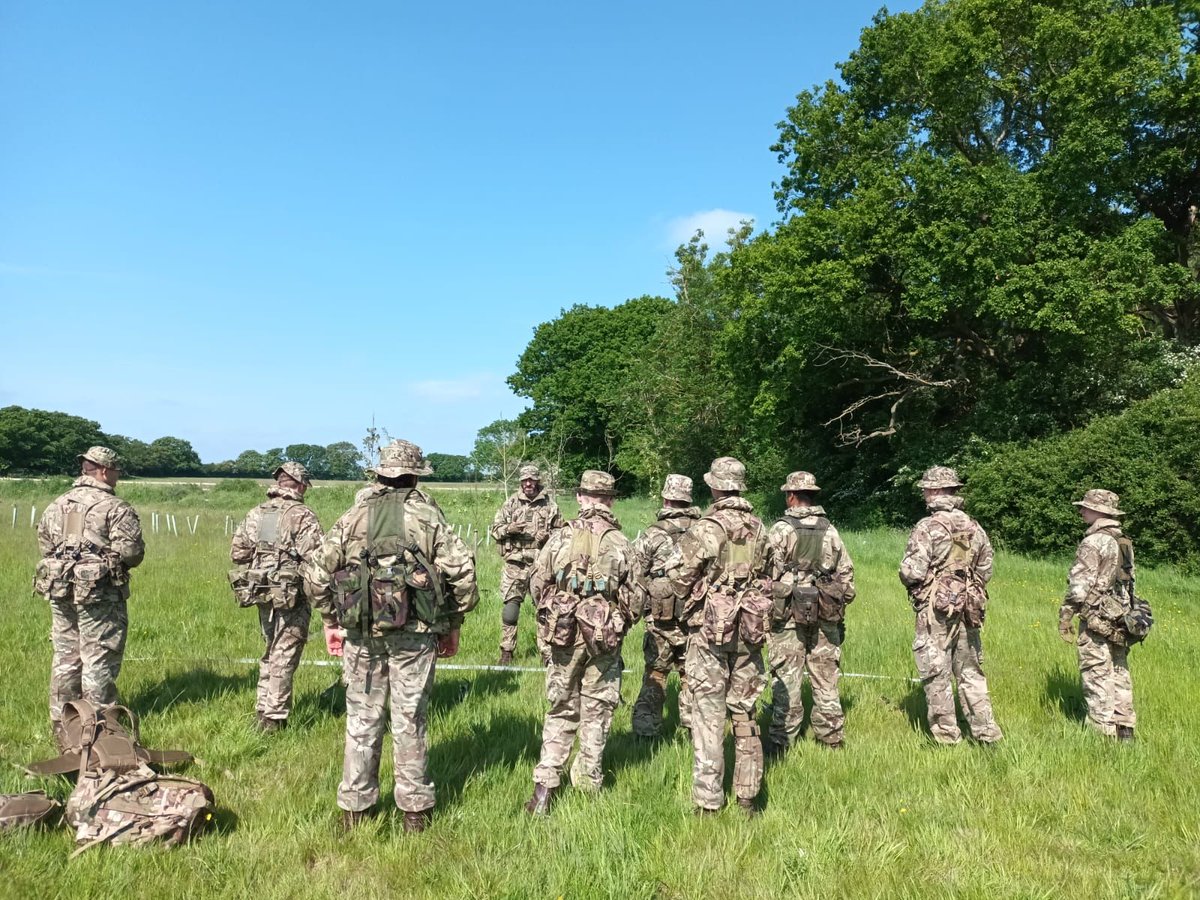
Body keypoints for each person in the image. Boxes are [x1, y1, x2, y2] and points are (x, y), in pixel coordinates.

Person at [304, 440, 478, 833]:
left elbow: (315, 576)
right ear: (414, 476)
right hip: (415, 636)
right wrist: (452, 622)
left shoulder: (353, 516)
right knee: (409, 719)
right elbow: (464, 576)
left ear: (380, 474)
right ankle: (414, 812)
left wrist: (332, 620)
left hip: (362, 634)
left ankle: (355, 810)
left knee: (361, 718)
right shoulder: (428, 517)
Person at [524, 470, 636, 815]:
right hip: (604, 638)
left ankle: (544, 791)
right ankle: (588, 785)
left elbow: (536, 583)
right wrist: (615, 620)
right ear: (610, 501)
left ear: (580, 497)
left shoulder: (559, 537)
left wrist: (556, 613)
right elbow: (636, 598)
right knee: (597, 709)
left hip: (563, 635)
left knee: (561, 707)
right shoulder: (621, 542)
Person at [667, 457, 771, 816]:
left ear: (715, 487)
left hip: (709, 635)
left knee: (708, 716)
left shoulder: (707, 528)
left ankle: (709, 801)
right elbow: (770, 573)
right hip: (749, 632)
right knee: (744, 713)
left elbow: (678, 578)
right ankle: (747, 797)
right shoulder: (760, 528)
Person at [34, 446, 144, 749]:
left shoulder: (57, 504)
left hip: (60, 589)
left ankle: (62, 723)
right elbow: (132, 553)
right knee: (99, 655)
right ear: (105, 471)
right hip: (99, 595)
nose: (118, 476)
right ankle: (99, 728)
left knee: (65, 655)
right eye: (117, 471)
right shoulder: (115, 507)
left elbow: (45, 546)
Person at [898, 466, 1002, 745]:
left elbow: (912, 571)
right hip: (969, 607)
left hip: (936, 610)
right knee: (971, 671)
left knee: (936, 670)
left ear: (935, 491)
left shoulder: (928, 527)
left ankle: (946, 736)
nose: (924, 494)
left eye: (925, 489)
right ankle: (986, 733)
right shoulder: (975, 527)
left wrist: (928, 584)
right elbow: (986, 569)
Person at [763, 471, 856, 755]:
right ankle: (831, 738)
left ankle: (782, 741)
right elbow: (847, 580)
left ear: (791, 496)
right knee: (826, 677)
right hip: (826, 615)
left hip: (787, 617)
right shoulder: (831, 530)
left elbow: (765, 574)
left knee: (787, 678)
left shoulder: (781, 530)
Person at [229, 460, 324, 732]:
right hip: (291, 594)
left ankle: (262, 708)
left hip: (261, 591)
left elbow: (238, 553)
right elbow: (318, 558)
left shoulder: (257, 513)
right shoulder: (302, 515)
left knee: (271, 648)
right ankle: (274, 717)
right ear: (301, 485)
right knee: (285, 651)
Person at [1058, 489, 1141, 740]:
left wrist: (1065, 615)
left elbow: (1079, 587)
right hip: (1121, 616)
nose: (1081, 511)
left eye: (1085, 507)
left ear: (1099, 511)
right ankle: (1125, 730)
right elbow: (1129, 581)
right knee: (1118, 669)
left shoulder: (1093, 542)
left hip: (1096, 616)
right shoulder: (1123, 541)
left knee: (1096, 672)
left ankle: (1102, 735)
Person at [630, 474, 700, 739]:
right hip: (695, 618)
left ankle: (645, 732)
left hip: (660, 620)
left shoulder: (653, 533)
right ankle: (695, 731)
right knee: (691, 674)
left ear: (666, 499)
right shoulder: (704, 530)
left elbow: (635, 573)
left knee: (656, 673)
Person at [490, 464, 563, 665]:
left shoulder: (550, 505)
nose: (528, 484)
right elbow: (495, 530)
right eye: (525, 480)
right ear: (521, 482)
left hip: (541, 564)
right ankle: (507, 651)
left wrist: (548, 536)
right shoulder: (511, 503)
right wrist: (509, 529)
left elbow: (562, 534)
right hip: (515, 562)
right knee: (510, 607)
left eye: (532, 480)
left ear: (538, 481)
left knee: (544, 607)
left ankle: (546, 652)